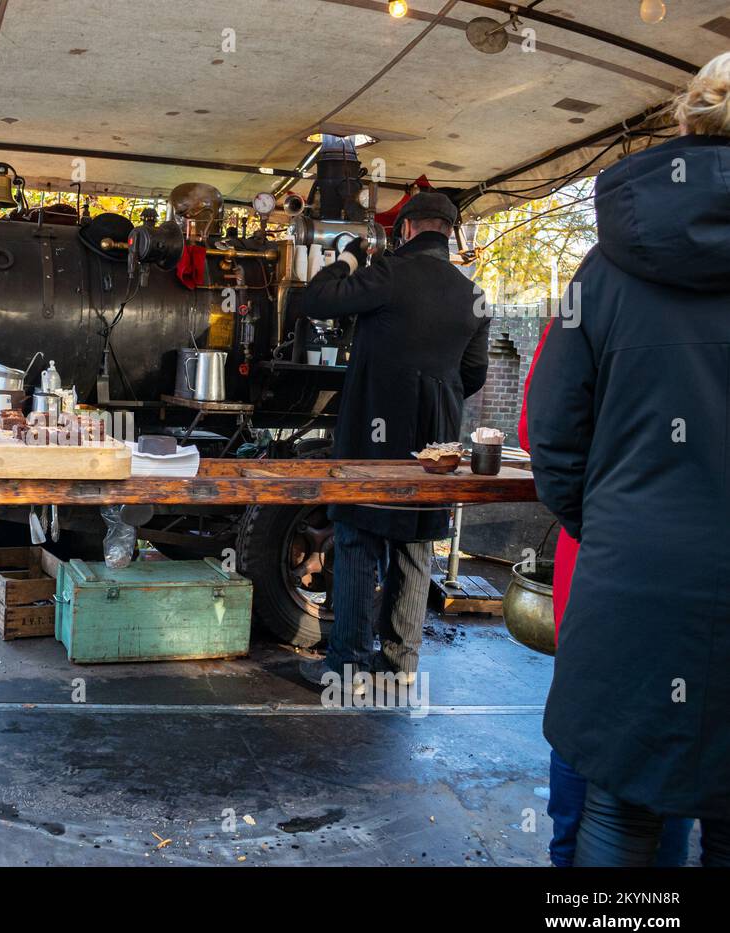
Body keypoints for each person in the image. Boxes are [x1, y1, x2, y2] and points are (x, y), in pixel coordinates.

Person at [527, 51, 730, 866]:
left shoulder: (607, 267)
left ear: (683, 124)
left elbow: (553, 427)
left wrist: (613, 521)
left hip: (635, 580)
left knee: (619, 811)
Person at [296, 192, 490, 690]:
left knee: (359, 538)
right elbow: (473, 374)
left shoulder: (386, 274)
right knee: (416, 542)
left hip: (372, 433)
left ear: (404, 230)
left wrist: (345, 256)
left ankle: (348, 667)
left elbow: (315, 300)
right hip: (436, 446)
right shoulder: (474, 294)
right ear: (450, 234)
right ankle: (401, 664)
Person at [519, 325, 694, 867]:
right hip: (701, 590)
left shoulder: (598, 288)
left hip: (606, 569)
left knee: (592, 744)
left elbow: (539, 430)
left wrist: (595, 525)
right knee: (676, 767)